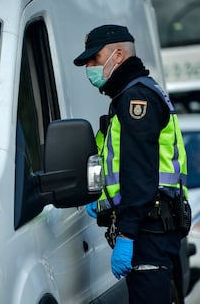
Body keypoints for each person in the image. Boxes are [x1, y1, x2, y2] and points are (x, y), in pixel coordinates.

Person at [73, 25, 189, 304]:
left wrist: (127, 234)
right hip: (149, 228)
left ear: (119, 55)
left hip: (148, 232)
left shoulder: (136, 99)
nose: (89, 66)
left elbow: (139, 174)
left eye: (95, 59)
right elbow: (118, 167)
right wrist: (101, 202)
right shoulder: (129, 96)